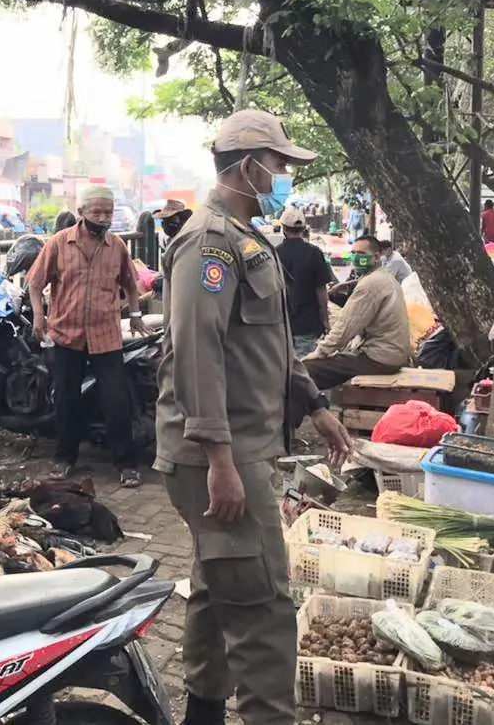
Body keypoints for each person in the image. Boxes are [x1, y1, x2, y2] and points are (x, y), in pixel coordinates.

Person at [155, 109, 351, 725]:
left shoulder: (248, 240)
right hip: (219, 451)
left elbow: (268, 342)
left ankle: (203, 712)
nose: (285, 177)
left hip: (244, 444)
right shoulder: (208, 243)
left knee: (220, 584)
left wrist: (315, 404)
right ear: (248, 167)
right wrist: (218, 458)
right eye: (281, 166)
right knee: (265, 605)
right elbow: (196, 351)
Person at [28, 186, 146, 487]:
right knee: (66, 399)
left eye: (108, 212)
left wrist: (134, 315)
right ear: (81, 213)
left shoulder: (117, 246)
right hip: (66, 333)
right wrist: (39, 316)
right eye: (97, 212)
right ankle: (64, 458)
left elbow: (131, 284)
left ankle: (126, 463)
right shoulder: (59, 243)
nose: (104, 218)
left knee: (116, 400)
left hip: (106, 335)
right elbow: (35, 283)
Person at [303, 236, 411, 390]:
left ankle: (316, 410)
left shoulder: (370, 284)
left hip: (380, 358)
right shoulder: (383, 277)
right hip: (392, 355)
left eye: (361, 253)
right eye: (353, 253)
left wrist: (321, 351)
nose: (356, 257)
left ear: (375, 257)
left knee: (306, 369)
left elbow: (346, 325)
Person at [275, 205, 335, 357]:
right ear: (303, 229)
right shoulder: (314, 253)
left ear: (283, 228)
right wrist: (326, 321)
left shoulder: (274, 253)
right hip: (308, 324)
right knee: (305, 368)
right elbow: (321, 291)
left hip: (281, 324)